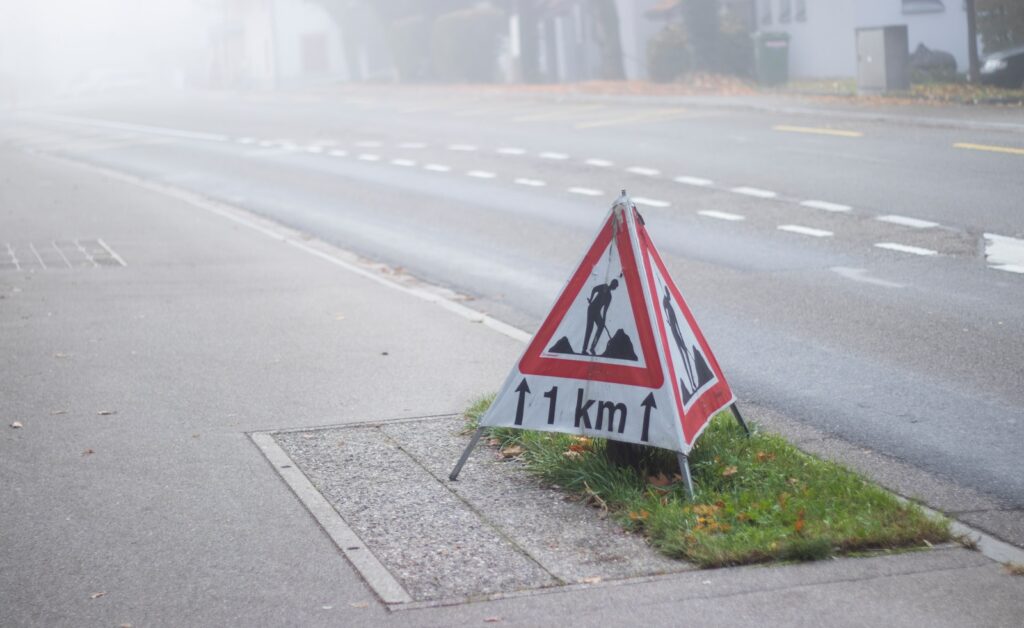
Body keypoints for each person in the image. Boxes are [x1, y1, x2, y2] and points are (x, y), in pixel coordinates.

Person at [663, 285, 697, 392]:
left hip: (678, 334)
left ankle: (693, 383)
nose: (669, 295)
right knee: (683, 358)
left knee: (686, 356)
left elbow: (675, 322)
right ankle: (691, 384)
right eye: (668, 293)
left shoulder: (668, 304)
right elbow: (670, 322)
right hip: (675, 335)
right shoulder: (666, 304)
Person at [583, 279, 618, 355]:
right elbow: (594, 289)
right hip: (592, 308)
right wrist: (591, 299)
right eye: (615, 286)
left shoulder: (609, 297)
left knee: (601, 326)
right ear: (612, 284)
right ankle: (584, 349)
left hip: (597, 312)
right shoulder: (604, 286)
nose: (615, 287)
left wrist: (603, 320)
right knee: (589, 328)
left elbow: (605, 310)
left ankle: (592, 347)